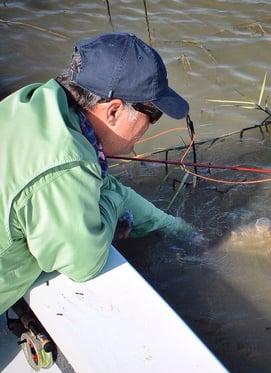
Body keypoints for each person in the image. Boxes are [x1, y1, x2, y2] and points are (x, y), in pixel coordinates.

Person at [0, 32, 201, 315]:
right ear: (115, 111)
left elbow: (103, 185)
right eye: (152, 117)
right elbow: (83, 263)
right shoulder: (66, 165)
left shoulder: (34, 104)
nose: (143, 135)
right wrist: (115, 205)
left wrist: (170, 226)